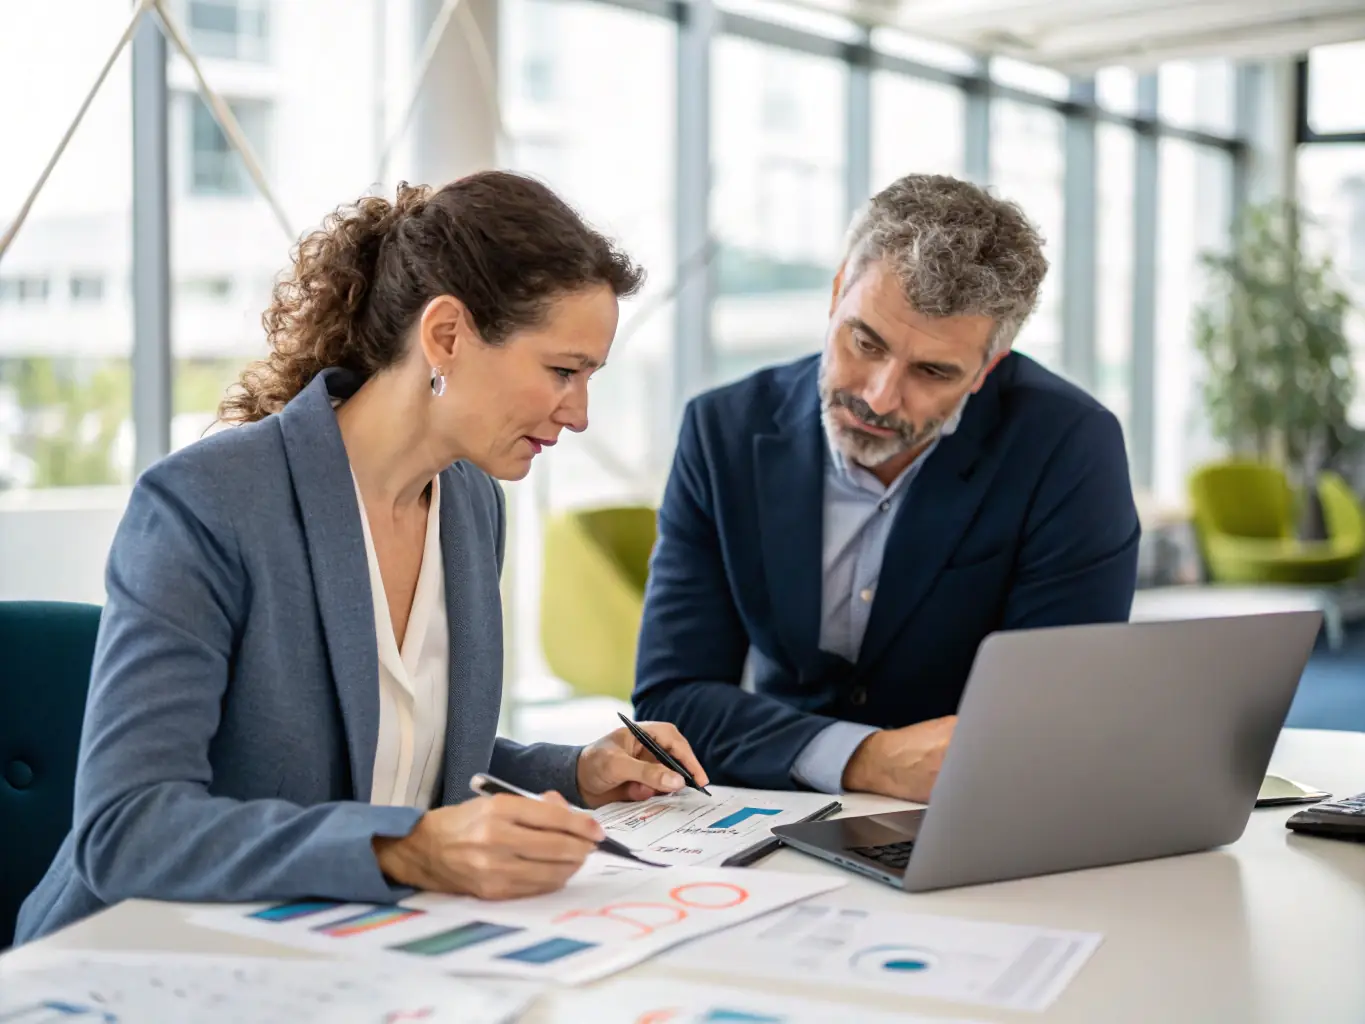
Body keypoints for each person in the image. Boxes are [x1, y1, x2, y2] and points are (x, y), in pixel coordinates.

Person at [16, 172, 708, 945]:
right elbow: (128, 830)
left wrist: (573, 771)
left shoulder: (473, 504)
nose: (578, 413)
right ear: (446, 335)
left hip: (337, 945)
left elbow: (383, 753)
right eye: (562, 371)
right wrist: (408, 849)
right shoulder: (207, 505)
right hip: (136, 958)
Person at [632, 173, 1139, 802]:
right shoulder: (723, 432)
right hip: (779, 808)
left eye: (932, 371)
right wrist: (865, 759)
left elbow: (1052, 712)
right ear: (839, 289)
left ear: (989, 368)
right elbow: (671, 700)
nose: (878, 395)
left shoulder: (1068, 446)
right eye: (864, 341)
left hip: (972, 809)